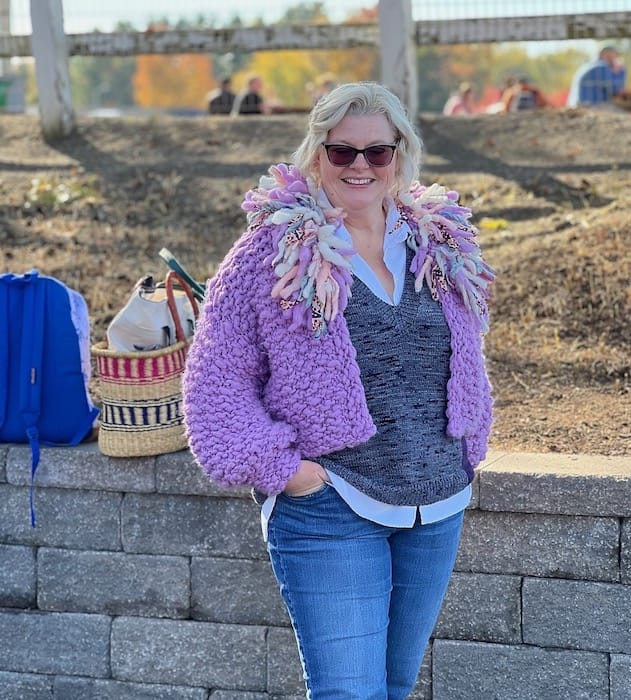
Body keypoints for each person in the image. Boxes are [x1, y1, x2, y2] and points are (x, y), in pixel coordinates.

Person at [183, 81, 495, 699]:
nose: (359, 166)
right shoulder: (273, 251)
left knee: (395, 686)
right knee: (350, 694)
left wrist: (468, 446)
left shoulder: (439, 244)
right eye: (341, 151)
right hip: (330, 506)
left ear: (400, 156)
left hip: (434, 503)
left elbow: (464, 353)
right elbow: (215, 379)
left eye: (376, 152)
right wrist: (284, 469)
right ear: (316, 154)